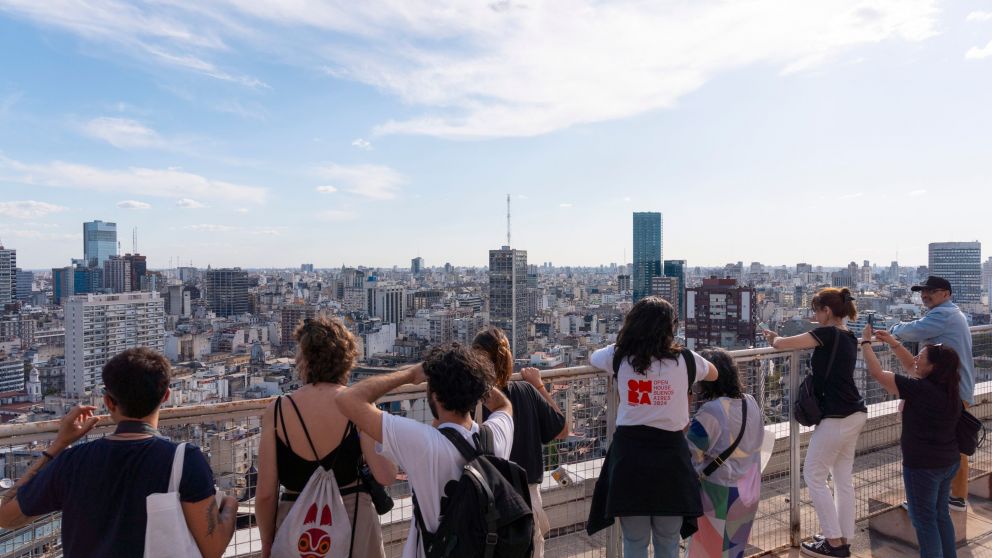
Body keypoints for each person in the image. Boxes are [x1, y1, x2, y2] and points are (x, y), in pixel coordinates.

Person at [0, 348, 237, 558]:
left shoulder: (72, 461)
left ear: (108, 402)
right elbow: (212, 549)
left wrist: (58, 445)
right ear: (166, 396)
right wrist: (231, 504)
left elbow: (6, 516)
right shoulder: (185, 460)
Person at [336, 343, 514, 558]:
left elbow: (347, 399)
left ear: (435, 395)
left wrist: (410, 374)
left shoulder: (422, 443)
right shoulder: (495, 436)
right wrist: (472, 376)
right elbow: (504, 405)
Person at [586, 296, 719, 558]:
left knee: (634, 541)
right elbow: (714, 372)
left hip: (630, 455)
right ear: (671, 327)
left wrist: (627, 345)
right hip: (670, 455)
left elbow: (592, 357)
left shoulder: (619, 356)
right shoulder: (687, 360)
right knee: (668, 540)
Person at [256, 316, 396, 558]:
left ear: (305, 360)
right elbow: (386, 474)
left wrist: (268, 541)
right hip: (355, 526)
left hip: (296, 532)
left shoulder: (277, 411)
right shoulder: (358, 406)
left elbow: (266, 494)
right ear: (346, 359)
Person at [762, 287, 866, 558]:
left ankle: (832, 542)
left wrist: (774, 338)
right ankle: (844, 537)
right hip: (855, 411)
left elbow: (784, 344)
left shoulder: (826, 333)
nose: (814, 315)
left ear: (827, 311)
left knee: (813, 475)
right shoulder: (848, 335)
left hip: (837, 416)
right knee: (842, 477)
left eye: (817, 310)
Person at [862, 323, 962, 557]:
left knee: (924, 521)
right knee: (940, 515)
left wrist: (866, 343)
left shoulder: (920, 390)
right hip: (948, 460)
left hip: (923, 466)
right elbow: (912, 366)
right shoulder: (949, 387)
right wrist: (893, 343)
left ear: (933, 367)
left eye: (922, 356)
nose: (916, 358)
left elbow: (878, 374)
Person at [473, 326, 568, 558]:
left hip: (484, 499)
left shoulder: (470, 400)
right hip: (527, 498)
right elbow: (563, 430)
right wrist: (539, 385)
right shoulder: (526, 391)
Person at [890, 275, 975, 513]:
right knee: (953, 442)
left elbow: (914, 331)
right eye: (922, 292)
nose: (925, 295)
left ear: (946, 294)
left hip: (951, 391)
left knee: (939, 445)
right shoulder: (950, 313)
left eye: (932, 291)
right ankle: (954, 496)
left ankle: (942, 498)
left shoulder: (943, 314)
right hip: (956, 388)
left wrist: (894, 329)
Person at [686, 348, 765, 558]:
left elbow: (691, 454)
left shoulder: (711, 411)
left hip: (718, 493)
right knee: (733, 550)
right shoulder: (751, 402)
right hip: (749, 489)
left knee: (708, 550)